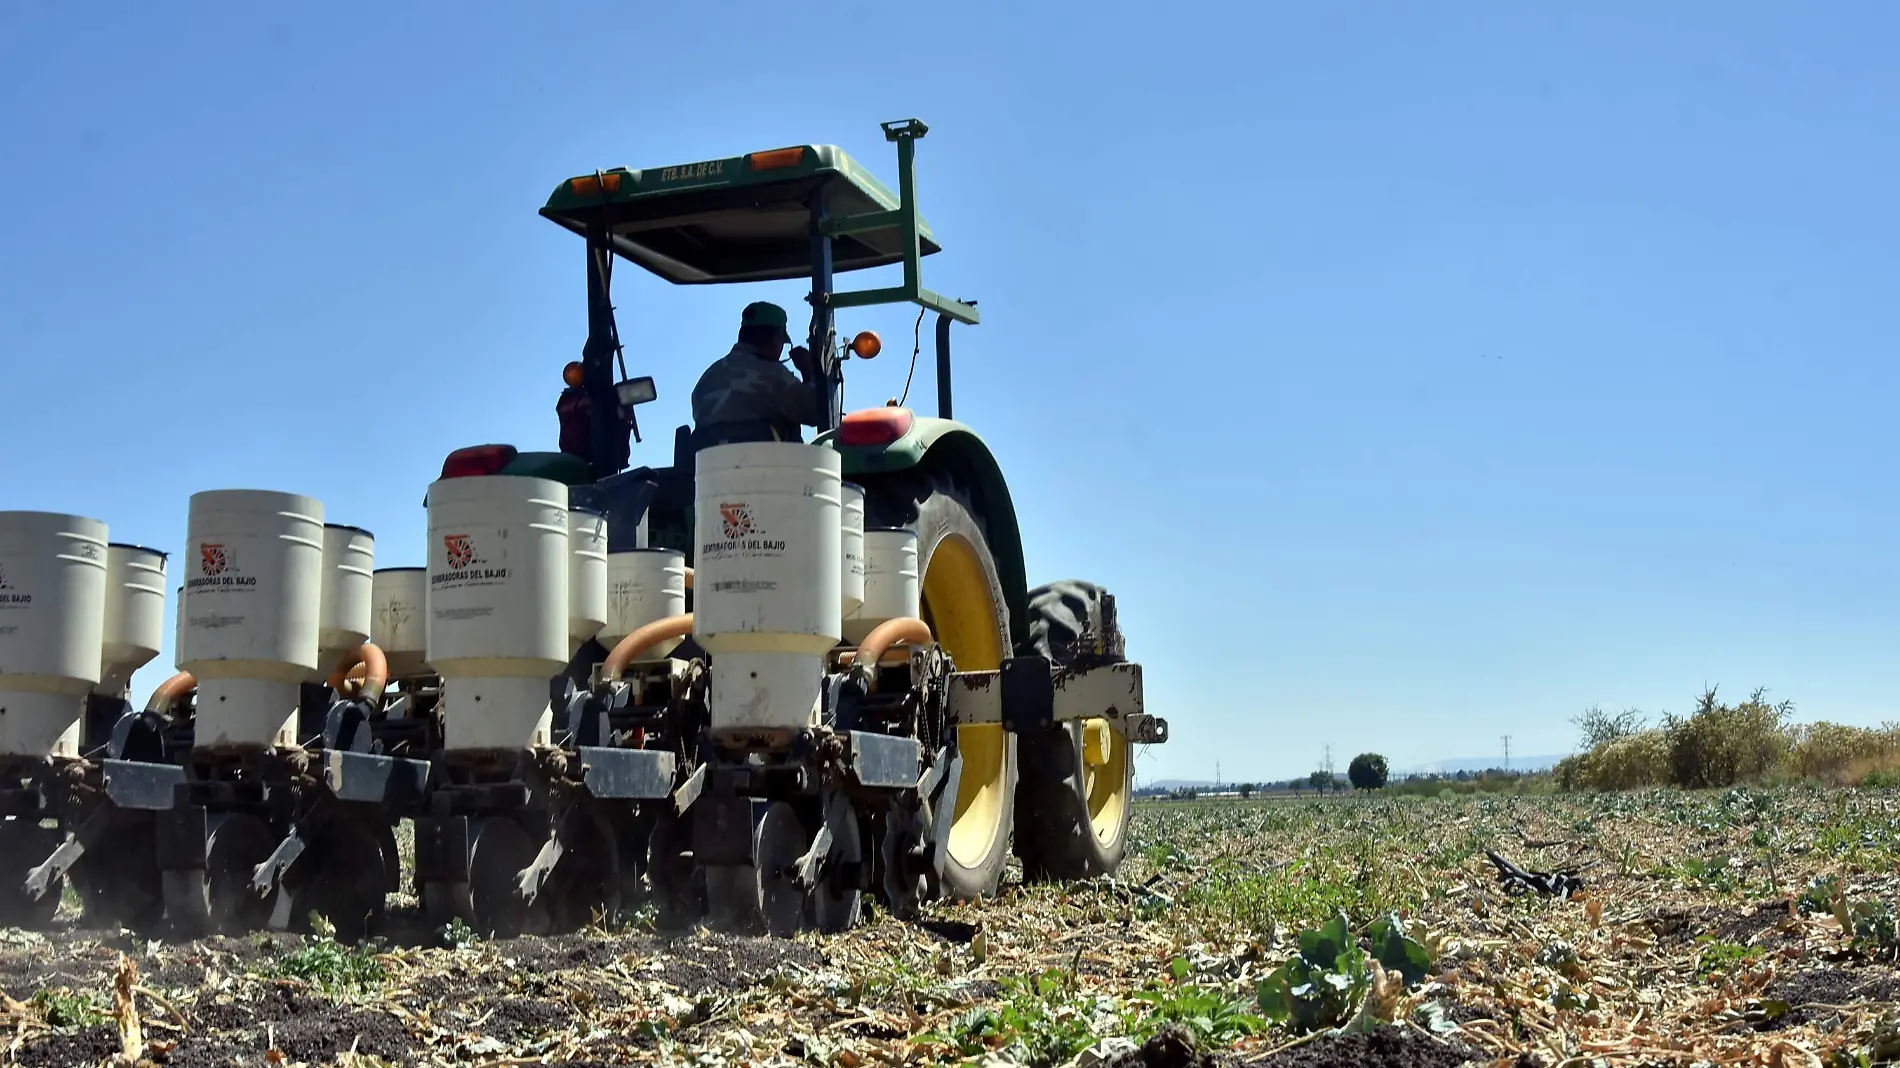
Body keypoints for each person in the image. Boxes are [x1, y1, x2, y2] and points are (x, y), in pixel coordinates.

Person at [690, 301, 827, 450]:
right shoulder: (775, 377)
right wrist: (808, 371)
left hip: (713, 471)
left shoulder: (707, 379)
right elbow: (817, 412)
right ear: (776, 338)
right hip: (772, 469)